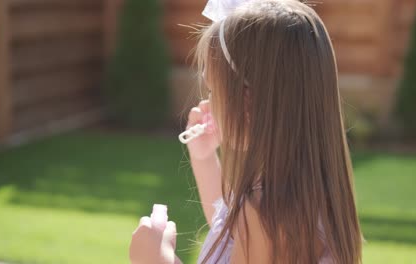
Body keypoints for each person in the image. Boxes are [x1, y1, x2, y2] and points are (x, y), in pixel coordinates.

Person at [129, 0, 363, 263]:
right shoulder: (298, 193)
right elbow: (225, 225)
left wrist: (157, 259)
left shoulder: (269, 216)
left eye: (213, 90)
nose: (208, 102)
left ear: (248, 102)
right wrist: (203, 157)